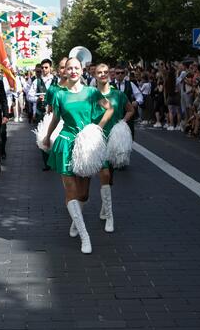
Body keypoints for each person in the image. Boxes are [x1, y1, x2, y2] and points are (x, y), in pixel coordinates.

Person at [42, 57, 113, 254]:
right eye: (69, 68)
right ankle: (85, 236)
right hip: (66, 143)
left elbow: (109, 109)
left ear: (82, 70)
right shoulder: (60, 95)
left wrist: (96, 129)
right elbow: (56, 117)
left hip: (86, 144)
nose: (73, 71)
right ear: (65, 71)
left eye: (76, 68)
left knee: (84, 194)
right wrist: (48, 136)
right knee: (71, 191)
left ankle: (76, 221)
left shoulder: (91, 92)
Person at [94, 64, 134, 234]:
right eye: (99, 72)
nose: (103, 74)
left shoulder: (118, 94)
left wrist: (122, 123)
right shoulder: (91, 94)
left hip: (115, 140)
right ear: (94, 75)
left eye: (105, 72)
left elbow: (130, 110)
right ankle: (110, 216)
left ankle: (105, 207)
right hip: (97, 138)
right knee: (104, 173)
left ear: (109, 74)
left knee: (110, 177)